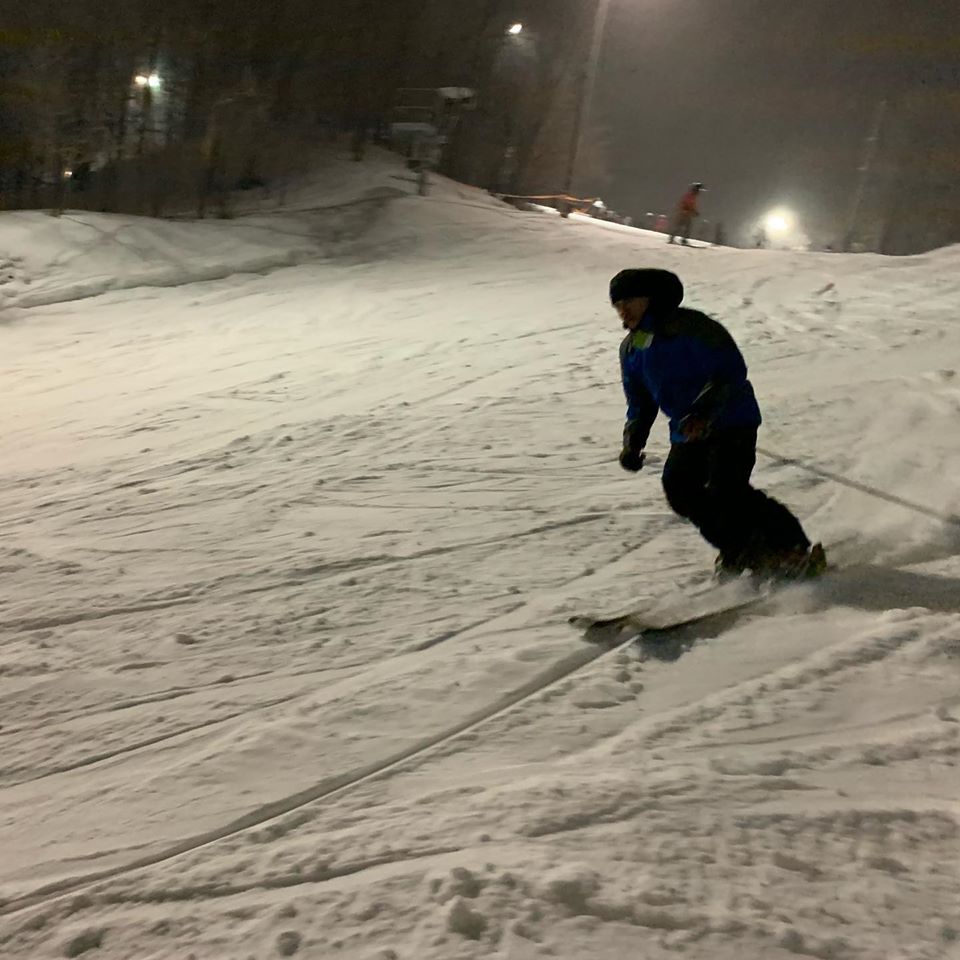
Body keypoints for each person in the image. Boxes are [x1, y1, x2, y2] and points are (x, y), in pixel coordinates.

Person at [610, 267, 825, 578]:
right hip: (687, 433)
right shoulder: (633, 347)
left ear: (652, 299)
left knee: (727, 489)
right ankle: (742, 549)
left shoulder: (693, 328)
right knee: (680, 491)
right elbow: (640, 401)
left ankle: (791, 547)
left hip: (731, 420)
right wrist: (633, 442)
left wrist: (703, 412)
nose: (622, 310)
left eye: (629, 301)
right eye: (617, 304)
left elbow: (730, 372)